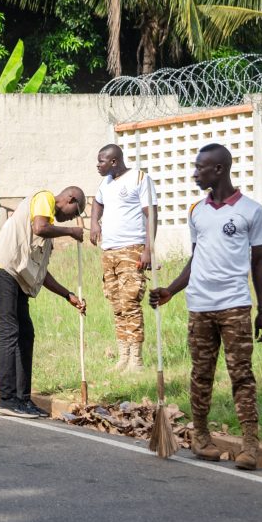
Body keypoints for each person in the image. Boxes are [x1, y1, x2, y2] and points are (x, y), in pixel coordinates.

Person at [150, 143, 262, 470]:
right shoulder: (197, 211)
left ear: (218, 169)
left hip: (235, 307)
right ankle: (200, 437)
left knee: (241, 375)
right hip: (199, 306)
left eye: (200, 168)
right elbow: (196, 258)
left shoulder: (251, 211)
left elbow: (258, 263)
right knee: (201, 374)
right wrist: (170, 291)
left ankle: (249, 445)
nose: (194, 173)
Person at [0, 187, 88, 418]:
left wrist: (67, 295)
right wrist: (70, 231)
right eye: (73, 213)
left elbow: (41, 273)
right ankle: (7, 399)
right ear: (70, 199)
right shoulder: (44, 198)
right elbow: (40, 226)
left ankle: (23, 399)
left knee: (26, 333)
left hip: (16, 277)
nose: (70, 219)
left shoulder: (47, 234)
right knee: (9, 332)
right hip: (1, 269)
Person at [90, 144, 158, 371]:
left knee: (130, 301)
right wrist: (93, 224)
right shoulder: (106, 182)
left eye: (101, 161)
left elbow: (151, 214)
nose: (98, 165)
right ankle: (123, 356)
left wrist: (148, 249)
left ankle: (136, 360)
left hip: (132, 249)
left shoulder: (140, 178)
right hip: (109, 252)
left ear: (114, 162)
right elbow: (97, 202)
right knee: (116, 303)